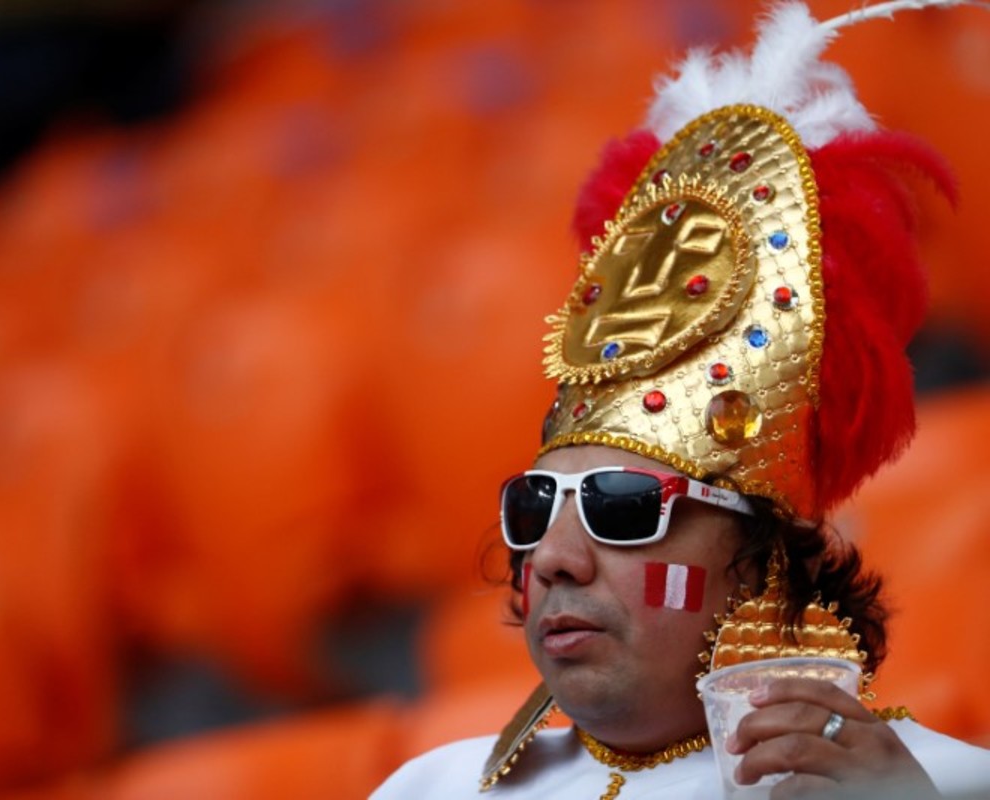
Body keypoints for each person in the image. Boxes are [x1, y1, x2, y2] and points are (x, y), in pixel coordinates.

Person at [372, 3, 990, 798]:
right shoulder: (433, 786)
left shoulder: (938, 783)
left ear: (763, 567)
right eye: (533, 508)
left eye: (622, 506)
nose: (552, 559)